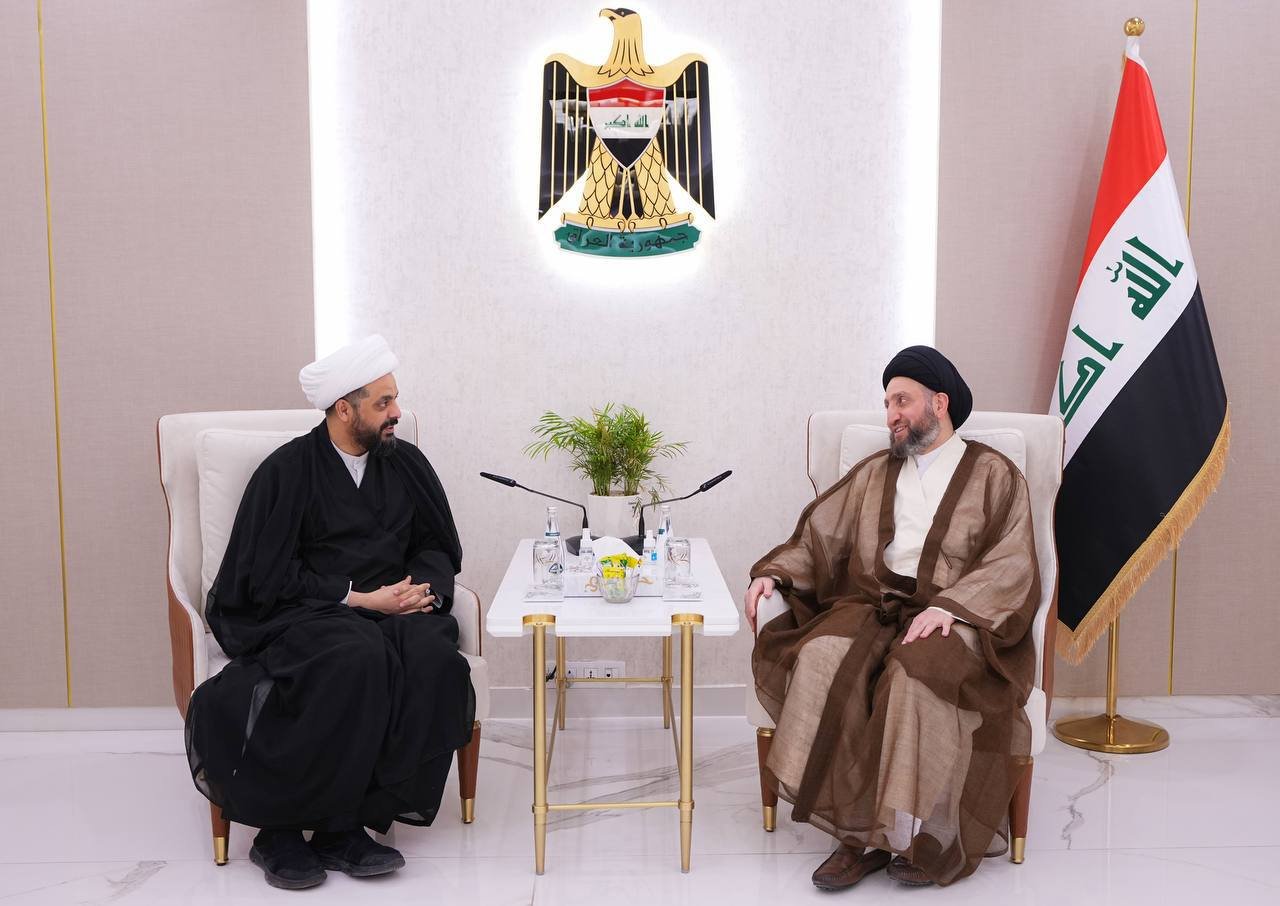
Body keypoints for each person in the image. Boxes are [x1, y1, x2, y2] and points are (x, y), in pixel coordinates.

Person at [184, 335, 474, 890]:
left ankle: (348, 824)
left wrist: (421, 591)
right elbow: (266, 575)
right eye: (383, 403)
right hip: (309, 612)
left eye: (394, 399)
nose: (396, 413)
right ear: (344, 409)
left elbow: (435, 546)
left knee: (433, 658)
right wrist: (360, 599)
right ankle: (280, 831)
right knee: (354, 656)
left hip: (394, 609)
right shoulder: (287, 471)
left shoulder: (406, 463)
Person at [745, 345, 1039, 889]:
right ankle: (854, 834)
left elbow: (1012, 562)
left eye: (901, 401)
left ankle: (903, 834)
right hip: (873, 606)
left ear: (939, 403)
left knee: (913, 674)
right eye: (887, 404)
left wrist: (951, 607)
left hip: (956, 617)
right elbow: (820, 539)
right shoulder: (876, 472)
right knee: (823, 655)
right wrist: (777, 575)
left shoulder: (994, 473)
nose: (891, 415)